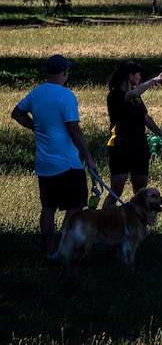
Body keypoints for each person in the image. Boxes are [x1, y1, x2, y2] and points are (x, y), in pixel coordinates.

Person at [10, 54, 97, 261]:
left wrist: (37, 128)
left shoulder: (36, 94)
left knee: (48, 207)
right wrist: (89, 157)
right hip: (67, 163)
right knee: (75, 208)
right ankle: (65, 249)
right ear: (65, 72)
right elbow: (74, 129)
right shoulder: (65, 95)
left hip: (44, 164)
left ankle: (49, 251)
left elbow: (17, 113)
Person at [103, 60, 162, 209]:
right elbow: (131, 94)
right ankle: (103, 221)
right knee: (116, 191)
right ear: (130, 75)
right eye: (139, 74)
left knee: (141, 193)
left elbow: (145, 117)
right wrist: (153, 80)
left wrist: (160, 133)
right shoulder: (115, 95)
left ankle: (139, 226)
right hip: (120, 147)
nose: (139, 78)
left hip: (139, 146)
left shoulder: (137, 98)